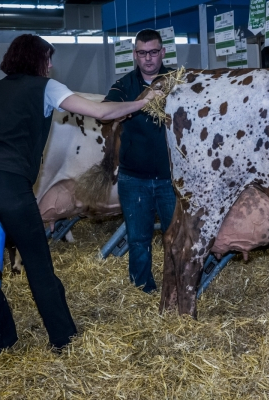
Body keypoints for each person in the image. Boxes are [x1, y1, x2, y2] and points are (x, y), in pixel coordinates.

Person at [0, 34, 162, 357]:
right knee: (39, 265)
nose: (51, 65)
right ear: (35, 60)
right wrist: (142, 102)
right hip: (9, 184)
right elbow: (100, 112)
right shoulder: (46, 88)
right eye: (48, 59)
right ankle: (64, 340)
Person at [104, 29, 176, 293]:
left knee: (175, 238)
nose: (148, 58)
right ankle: (142, 288)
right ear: (135, 55)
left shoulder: (177, 81)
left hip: (171, 178)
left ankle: (175, 287)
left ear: (163, 52)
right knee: (138, 239)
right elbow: (105, 113)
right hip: (134, 178)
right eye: (143, 53)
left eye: (154, 52)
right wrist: (141, 102)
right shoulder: (124, 86)